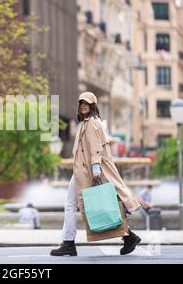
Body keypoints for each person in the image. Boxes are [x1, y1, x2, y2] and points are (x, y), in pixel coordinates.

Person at [50, 92, 147, 257]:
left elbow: (96, 148)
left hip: (87, 171)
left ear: (93, 106)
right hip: (84, 170)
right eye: (81, 103)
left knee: (73, 205)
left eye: (86, 103)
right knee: (100, 204)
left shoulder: (91, 123)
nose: (83, 106)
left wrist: (95, 169)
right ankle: (128, 237)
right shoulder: (89, 123)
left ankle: (68, 243)